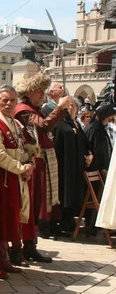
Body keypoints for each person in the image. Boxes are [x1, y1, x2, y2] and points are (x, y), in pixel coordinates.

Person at [13, 72, 70, 263]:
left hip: (38, 163)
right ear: (29, 92)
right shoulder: (23, 109)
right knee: (27, 207)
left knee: (35, 206)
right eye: (38, 91)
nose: (42, 95)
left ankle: (31, 246)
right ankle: (20, 248)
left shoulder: (32, 108)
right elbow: (44, 126)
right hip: (28, 163)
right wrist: (60, 108)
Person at [0, 85, 34, 279]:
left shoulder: (13, 122)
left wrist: (28, 163)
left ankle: (3, 258)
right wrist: (21, 168)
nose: (8, 103)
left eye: (12, 100)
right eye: (5, 100)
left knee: (7, 219)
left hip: (11, 178)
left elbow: (20, 148)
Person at [54, 96, 92, 234]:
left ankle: (70, 219)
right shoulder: (62, 123)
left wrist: (89, 153)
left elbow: (84, 141)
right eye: (68, 106)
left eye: (72, 106)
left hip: (77, 165)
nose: (70, 108)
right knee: (66, 193)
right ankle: (65, 220)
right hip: (66, 164)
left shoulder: (76, 123)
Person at [85, 104, 116, 173]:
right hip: (97, 169)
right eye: (109, 119)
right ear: (104, 116)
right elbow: (95, 149)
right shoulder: (93, 129)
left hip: (103, 168)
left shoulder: (99, 128)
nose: (110, 122)